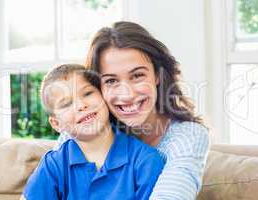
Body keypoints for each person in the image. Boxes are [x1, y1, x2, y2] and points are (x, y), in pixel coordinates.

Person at [57, 21, 210, 200]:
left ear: (157, 76)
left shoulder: (188, 136)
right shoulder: (81, 130)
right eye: (111, 81)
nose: (127, 94)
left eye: (137, 76)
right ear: (99, 88)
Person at [22, 64, 164, 200]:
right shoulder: (53, 165)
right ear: (57, 124)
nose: (82, 105)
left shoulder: (146, 161)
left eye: (88, 93)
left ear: (104, 95)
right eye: (66, 104)